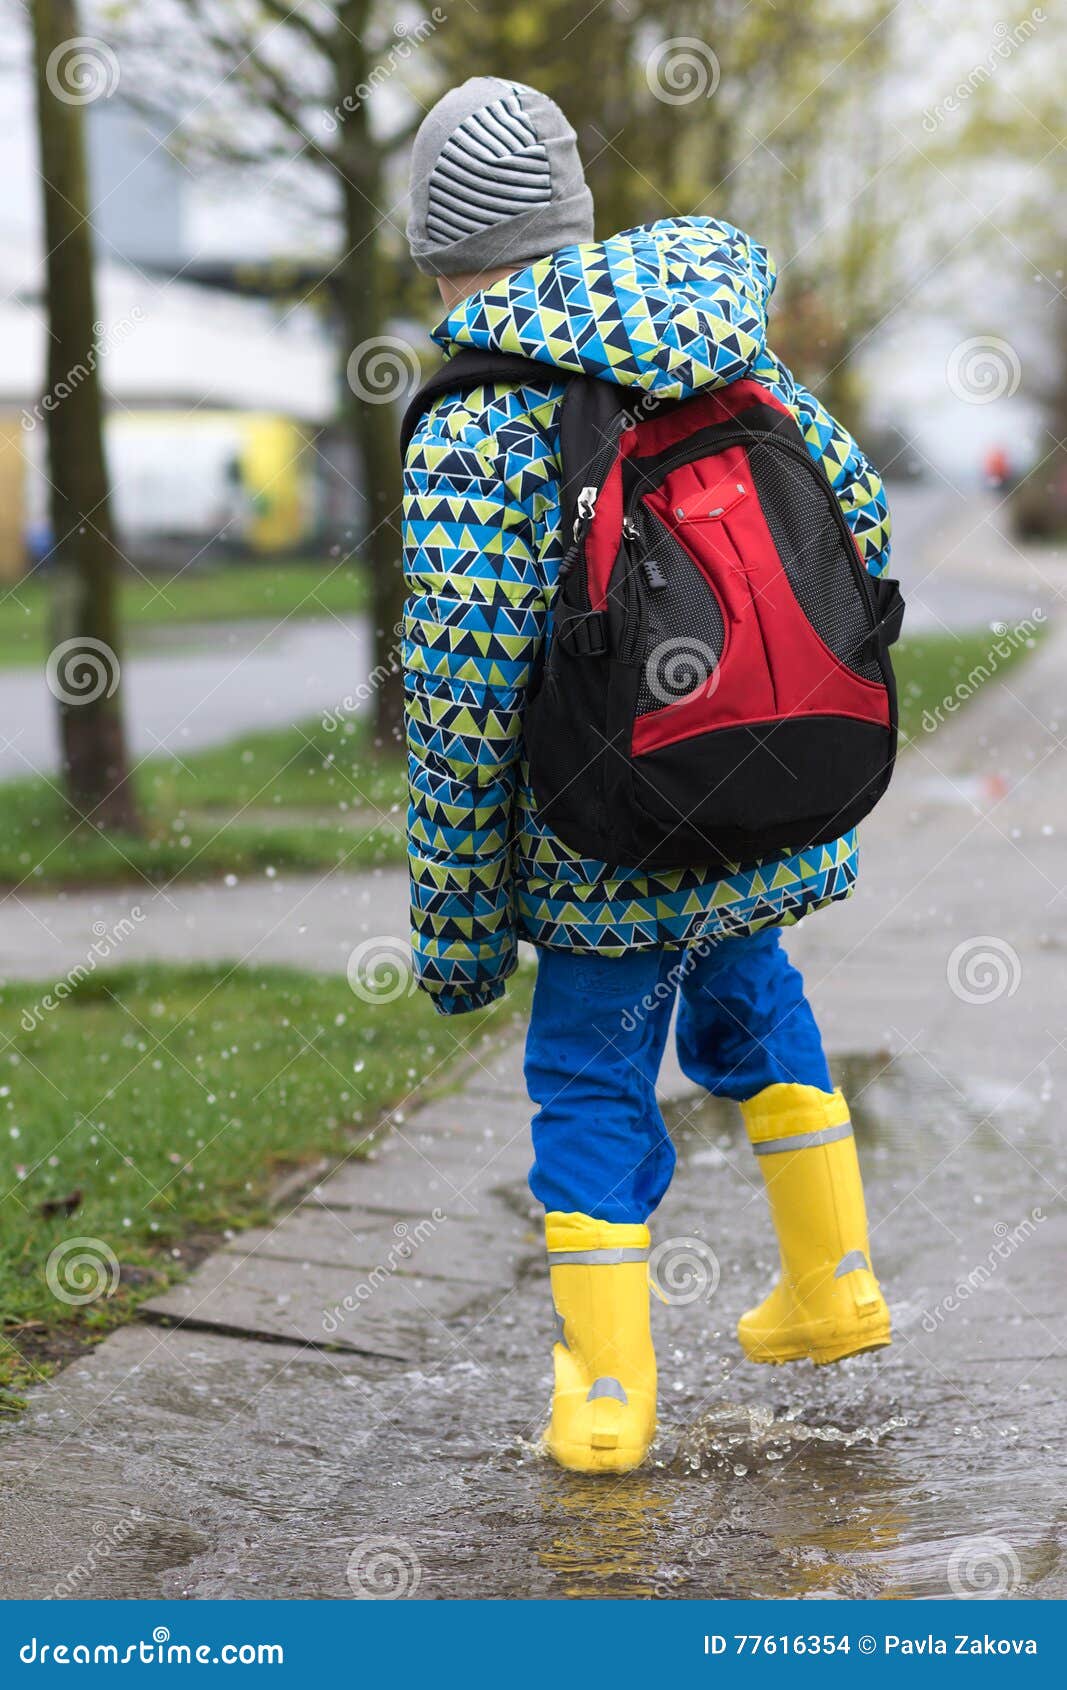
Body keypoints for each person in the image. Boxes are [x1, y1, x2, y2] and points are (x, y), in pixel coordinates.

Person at [402, 78, 892, 1474]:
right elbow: (858, 517)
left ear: (440, 246)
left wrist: (454, 926)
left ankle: (606, 1400)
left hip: (604, 832)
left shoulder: (475, 417)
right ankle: (834, 1281)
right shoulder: (719, 346)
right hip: (760, 782)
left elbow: (461, 693)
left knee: (587, 1074)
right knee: (757, 998)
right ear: (572, 215)